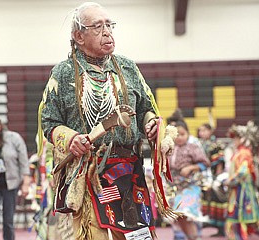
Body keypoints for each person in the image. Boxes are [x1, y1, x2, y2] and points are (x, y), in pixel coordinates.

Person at [38, 2, 175, 239]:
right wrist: (71, 139)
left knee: (136, 235)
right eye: (98, 26)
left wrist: (151, 126)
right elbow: (49, 121)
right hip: (89, 170)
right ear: (78, 36)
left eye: (109, 25)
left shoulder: (128, 67)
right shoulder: (63, 73)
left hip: (128, 169)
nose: (107, 31)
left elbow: (145, 109)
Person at [167, 120, 210, 240]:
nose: (180, 137)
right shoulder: (169, 149)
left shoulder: (192, 147)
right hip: (174, 188)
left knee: (185, 213)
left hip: (190, 186)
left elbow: (205, 163)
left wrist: (191, 167)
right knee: (178, 217)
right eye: (177, 135)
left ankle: (196, 237)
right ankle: (191, 237)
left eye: (183, 134)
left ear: (188, 134)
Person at [225, 120, 259, 240]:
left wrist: (230, 181)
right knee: (237, 220)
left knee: (240, 220)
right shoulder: (239, 152)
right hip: (238, 189)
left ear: (242, 138)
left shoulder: (244, 153)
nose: (234, 141)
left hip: (242, 190)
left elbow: (243, 171)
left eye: (236, 138)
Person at [197, 123, 227, 237]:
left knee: (217, 202)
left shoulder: (216, 144)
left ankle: (221, 228)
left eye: (204, 131)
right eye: (200, 131)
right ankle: (210, 222)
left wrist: (217, 179)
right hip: (204, 178)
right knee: (207, 201)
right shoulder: (201, 144)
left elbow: (219, 163)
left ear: (210, 131)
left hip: (215, 178)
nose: (201, 133)